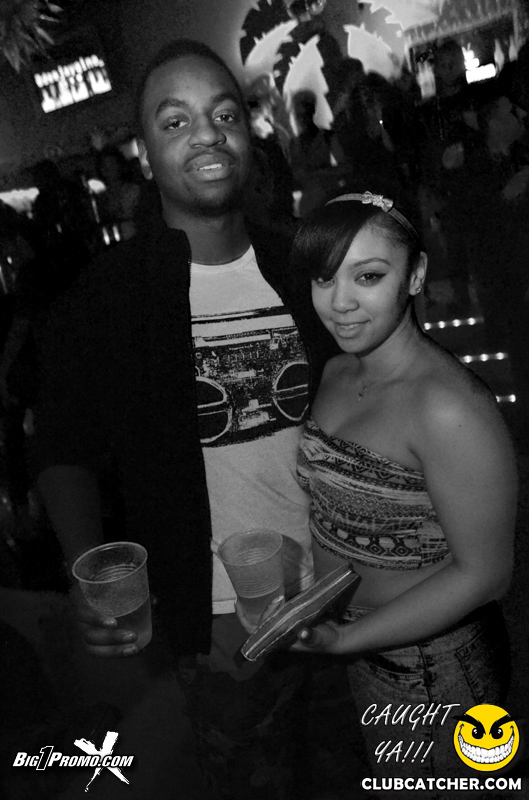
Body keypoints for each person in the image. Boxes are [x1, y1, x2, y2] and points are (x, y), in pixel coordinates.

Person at [33, 39, 351, 800]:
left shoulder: (303, 266)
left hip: (347, 595)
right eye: (175, 122)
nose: (206, 134)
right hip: (220, 627)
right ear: (145, 155)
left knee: (359, 774)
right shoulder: (109, 296)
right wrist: (89, 573)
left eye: (223, 114)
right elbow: (63, 449)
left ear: (249, 132)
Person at [240, 190, 517, 796]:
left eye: (368, 276)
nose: (340, 303)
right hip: (364, 650)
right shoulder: (340, 369)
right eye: (324, 278)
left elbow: (488, 575)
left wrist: (346, 638)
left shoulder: (449, 407)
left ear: (415, 275)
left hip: (436, 666)